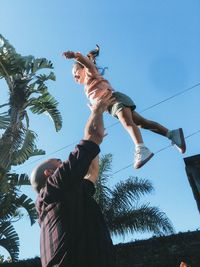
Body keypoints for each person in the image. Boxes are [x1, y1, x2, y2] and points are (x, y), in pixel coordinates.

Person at [63, 45, 186, 169]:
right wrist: (95, 110)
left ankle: (141, 148)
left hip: (115, 100)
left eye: (75, 72)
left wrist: (75, 56)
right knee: (143, 123)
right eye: (73, 76)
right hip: (113, 106)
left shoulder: (90, 73)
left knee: (127, 122)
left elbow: (88, 64)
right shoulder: (87, 88)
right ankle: (172, 134)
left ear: (83, 68)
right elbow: (98, 103)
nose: (74, 77)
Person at [30, 95, 116, 267]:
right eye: (59, 163)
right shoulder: (55, 186)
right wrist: (97, 110)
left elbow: (91, 173)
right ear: (49, 173)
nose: (63, 164)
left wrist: (95, 144)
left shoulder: (63, 196)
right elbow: (91, 138)